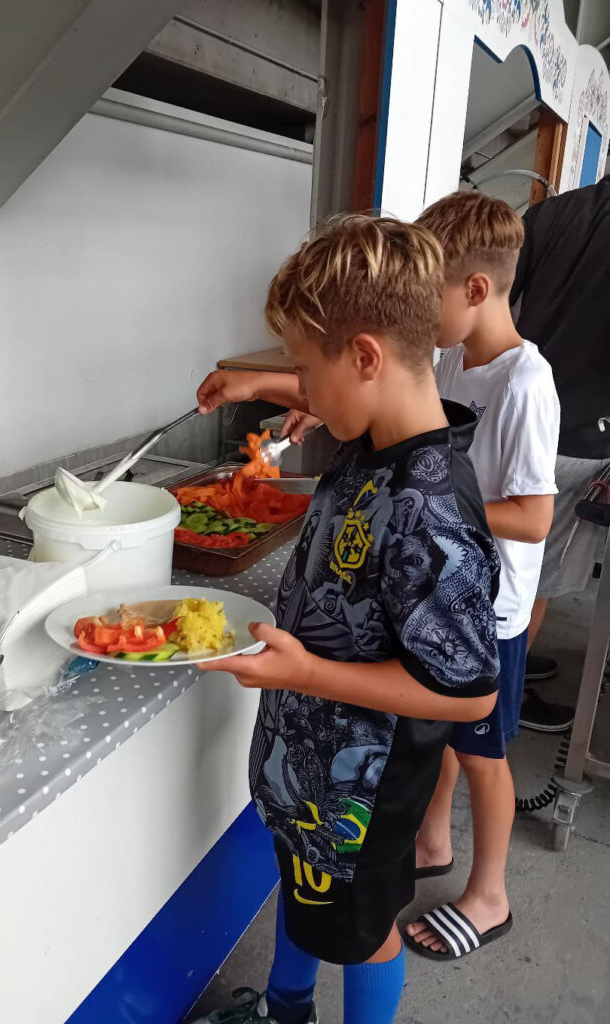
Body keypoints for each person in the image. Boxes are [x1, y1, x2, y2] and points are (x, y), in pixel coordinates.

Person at [192, 213, 501, 1024]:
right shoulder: (374, 431)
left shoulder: (432, 508)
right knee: (307, 899)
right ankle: (285, 1009)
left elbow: (470, 693)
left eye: (303, 365)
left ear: (365, 357)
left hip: (360, 795)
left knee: (362, 935)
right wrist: (258, 384)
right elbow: (330, 390)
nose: (301, 385)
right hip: (312, 773)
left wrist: (307, 673)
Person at [399, 191, 559, 961]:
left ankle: (491, 896)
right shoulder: (458, 359)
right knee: (439, 730)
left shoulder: (525, 384)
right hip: (448, 591)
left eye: (429, 296)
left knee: (482, 754)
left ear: (475, 288)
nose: (421, 314)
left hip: (490, 612)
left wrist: (438, 507)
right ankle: (433, 841)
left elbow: (532, 516)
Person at [508, 173, 610, 732]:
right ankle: (505, 691)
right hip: (581, 437)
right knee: (535, 581)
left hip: (519, 417)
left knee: (511, 568)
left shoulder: (553, 212)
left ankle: (512, 658)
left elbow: (499, 293)